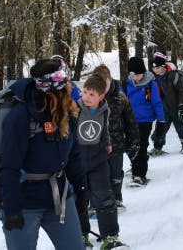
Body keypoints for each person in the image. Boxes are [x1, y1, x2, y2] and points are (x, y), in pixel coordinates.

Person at [0, 57, 86, 250]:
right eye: (64, 83)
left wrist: (81, 188)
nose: (69, 87)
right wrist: (11, 209)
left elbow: (74, 155)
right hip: (24, 203)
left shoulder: (68, 110)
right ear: (53, 89)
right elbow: (8, 166)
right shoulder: (20, 116)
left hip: (59, 198)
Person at [74, 74, 128, 250]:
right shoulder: (75, 109)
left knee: (105, 197)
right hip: (77, 163)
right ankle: (81, 235)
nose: (87, 97)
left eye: (92, 94)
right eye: (85, 92)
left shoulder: (105, 109)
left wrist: (107, 144)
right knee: (79, 201)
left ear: (101, 97)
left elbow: (104, 130)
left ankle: (110, 236)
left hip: (98, 162)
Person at [90, 65, 139, 211]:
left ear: (110, 80)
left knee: (116, 175)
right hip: (94, 148)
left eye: (104, 84)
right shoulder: (88, 98)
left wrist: (134, 141)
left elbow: (130, 121)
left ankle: (117, 199)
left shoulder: (120, 98)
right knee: (95, 177)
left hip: (116, 144)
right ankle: (93, 204)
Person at [123, 56, 165, 186]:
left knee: (141, 146)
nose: (136, 78)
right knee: (129, 145)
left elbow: (157, 103)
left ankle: (139, 174)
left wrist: (161, 120)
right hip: (129, 121)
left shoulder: (150, 84)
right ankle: (136, 163)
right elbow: (121, 102)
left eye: (139, 75)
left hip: (145, 121)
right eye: (133, 75)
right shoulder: (125, 85)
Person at [149, 51, 183, 154]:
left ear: (163, 66)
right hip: (164, 108)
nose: (155, 70)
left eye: (157, 68)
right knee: (161, 127)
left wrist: (182, 106)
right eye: (153, 68)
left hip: (178, 106)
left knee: (181, 125)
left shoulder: (173, 75)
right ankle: (157, 147)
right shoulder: (154, 78)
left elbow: (181, 91)